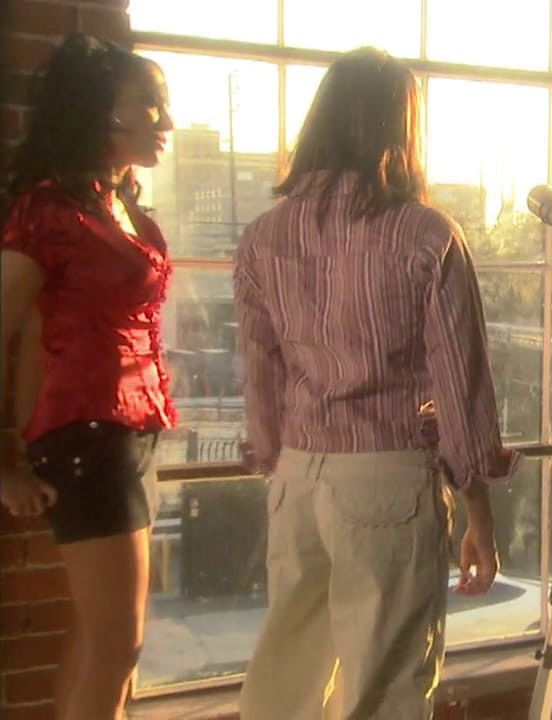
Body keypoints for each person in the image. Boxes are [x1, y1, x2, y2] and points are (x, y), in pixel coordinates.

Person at [234, 47, 520, 720]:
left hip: (298, 477)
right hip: (386, 478)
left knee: (286, 682)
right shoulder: (425, 235)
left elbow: (260, 372)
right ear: (401, 127)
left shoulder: (263, 236)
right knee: (383, 687)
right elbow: (461, 384)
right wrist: (479, 514)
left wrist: (278, 461)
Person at [0, 34, 176, 720]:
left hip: (131, 437)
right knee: (116, 644)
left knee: (99, 640)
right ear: (104, 110)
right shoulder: (51, 212)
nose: (165, 121)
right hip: (86, 437)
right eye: (150, 105)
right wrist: (4, 462)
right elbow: (12, 332)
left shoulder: (118, 204)